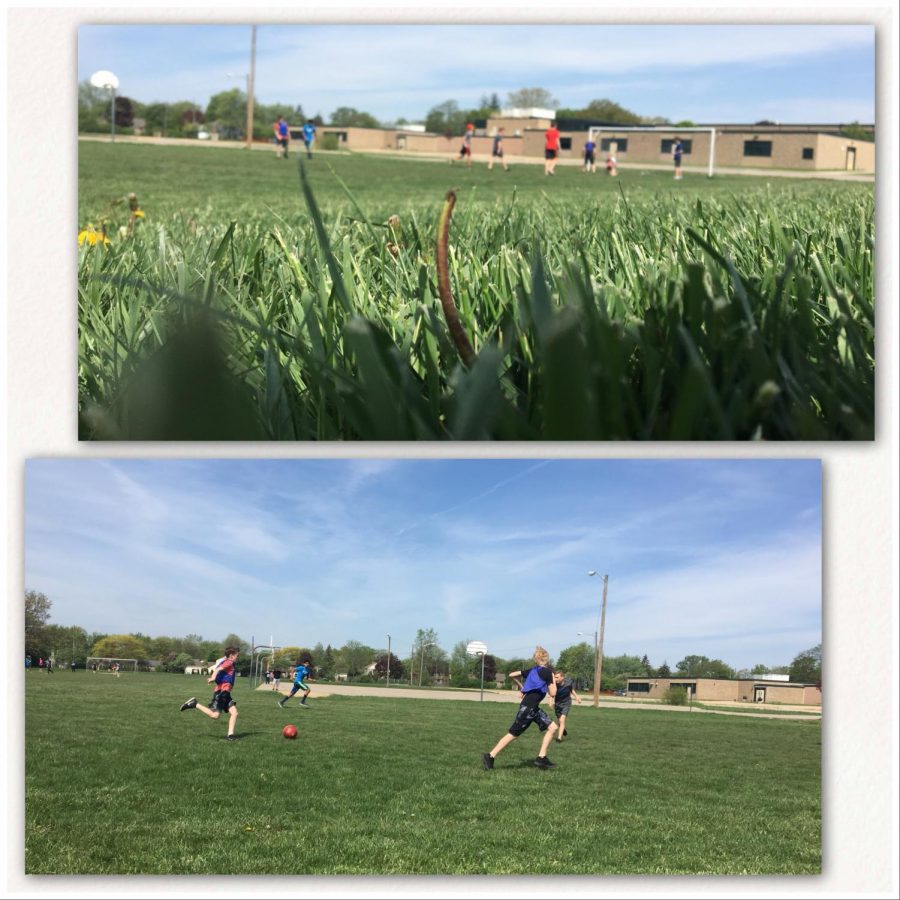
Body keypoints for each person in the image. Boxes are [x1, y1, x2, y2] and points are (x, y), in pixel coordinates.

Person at [482, 646, 558, 770]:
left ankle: (541, 758)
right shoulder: (548, 673)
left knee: (553, 727)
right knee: (513, 734)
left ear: (536, 659)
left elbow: (512, 674)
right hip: (529, 709)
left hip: (532, 708)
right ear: (547, 659)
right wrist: (553, 679)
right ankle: (490, 756)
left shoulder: (532, 671)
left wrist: (522, 686)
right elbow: (553, 693)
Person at [181, 646, 240, 741]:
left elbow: (219, 672)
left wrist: (213, 678)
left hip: (225, 693)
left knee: (234, 713)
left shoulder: (225, 662)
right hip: (222, 693)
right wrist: (213, 678)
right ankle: (194, 704)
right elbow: (217, 670)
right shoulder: (229, 662)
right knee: (215, 715)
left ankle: (230, 735)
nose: (238, 657)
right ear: (231, 656)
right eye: (237, 655)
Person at [550, 670, 582, 742]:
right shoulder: (554, 684)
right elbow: (552, 694)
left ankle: (559, 738)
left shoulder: (568, 682)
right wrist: (551, 702)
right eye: (554, 677)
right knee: (559, 721)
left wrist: (577, 697)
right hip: (557, 704)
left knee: (562, 720)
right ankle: (562, 728)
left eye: (557, 677)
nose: (555, 679)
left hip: (566, 703)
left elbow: (571, 690)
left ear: (562, 677)